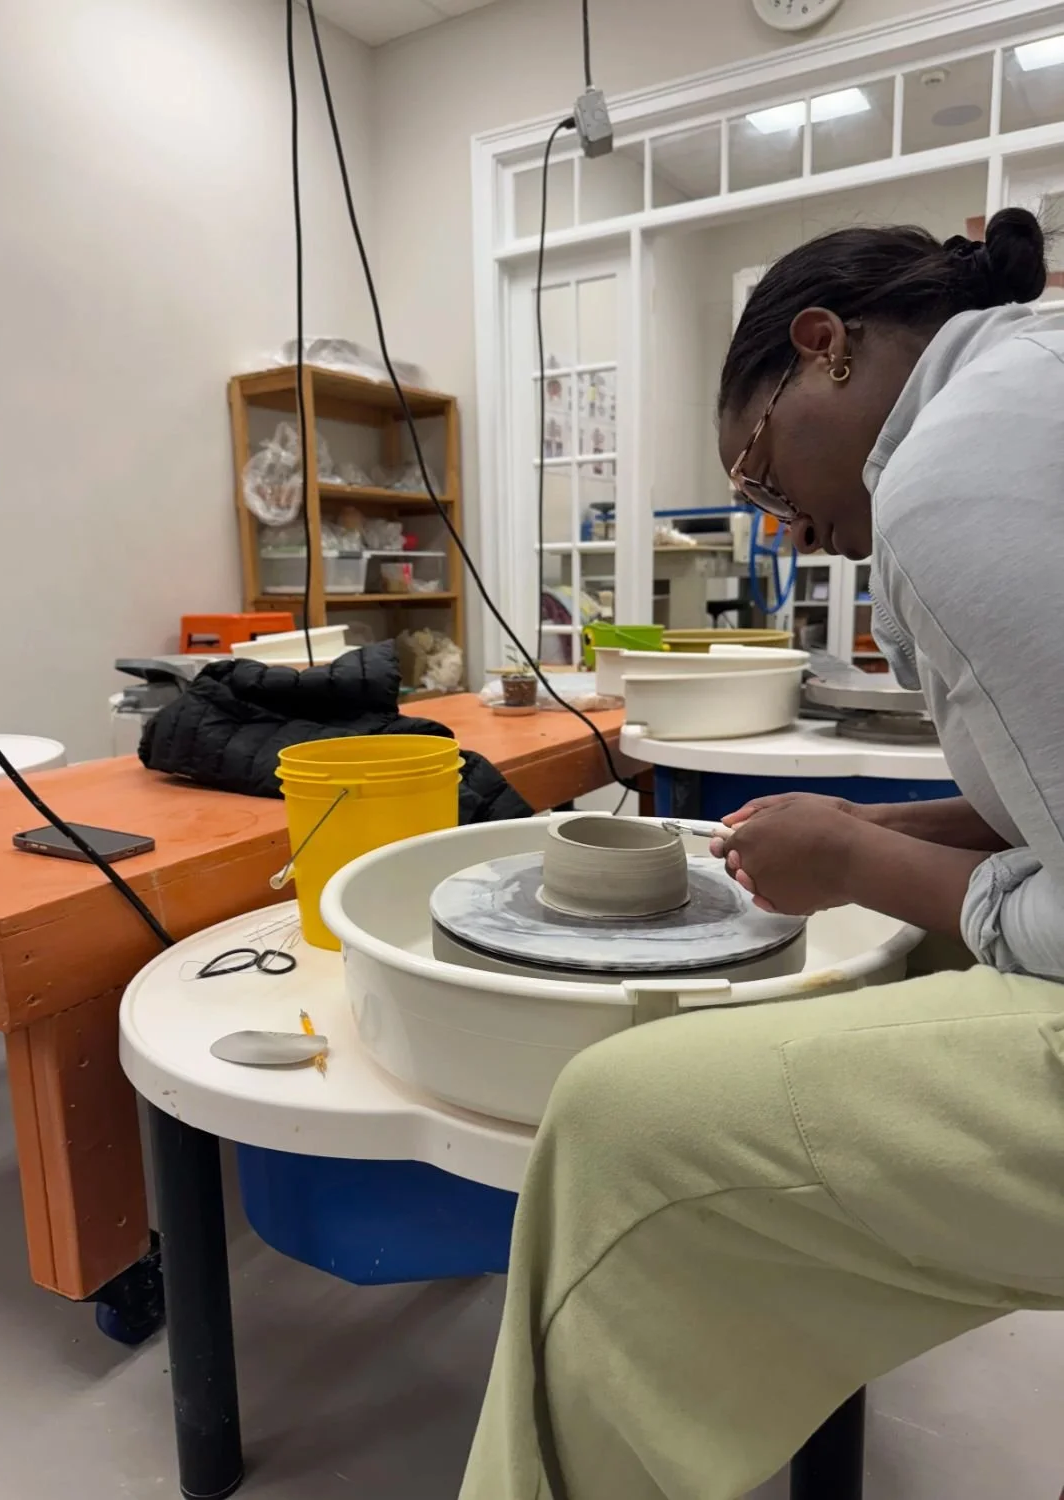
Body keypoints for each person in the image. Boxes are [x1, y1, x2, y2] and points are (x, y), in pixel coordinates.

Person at [460, 208, 1064, 1500]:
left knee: (618, 1120)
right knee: (893, 978)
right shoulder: (1033, 371)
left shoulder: (944, 479)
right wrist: (884, 833)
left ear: (823, 346)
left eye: (755, 470)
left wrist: (855, 860)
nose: (778, 522)